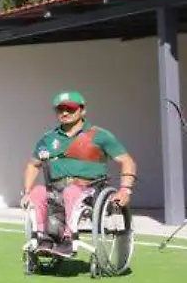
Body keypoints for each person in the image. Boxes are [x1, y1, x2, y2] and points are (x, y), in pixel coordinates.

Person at [20, 90, 137, 256]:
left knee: (71, 191)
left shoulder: (99, 135)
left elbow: (127, 161)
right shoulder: (48, 139)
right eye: (60, 109)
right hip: (56, 189)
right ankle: (43, 238)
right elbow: (33, 165)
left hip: (89, 190)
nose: (65, 113)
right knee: (38, 192)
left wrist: (125, 190)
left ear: (82, 110)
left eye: (70, 108)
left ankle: (68, 239)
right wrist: (27, 191)